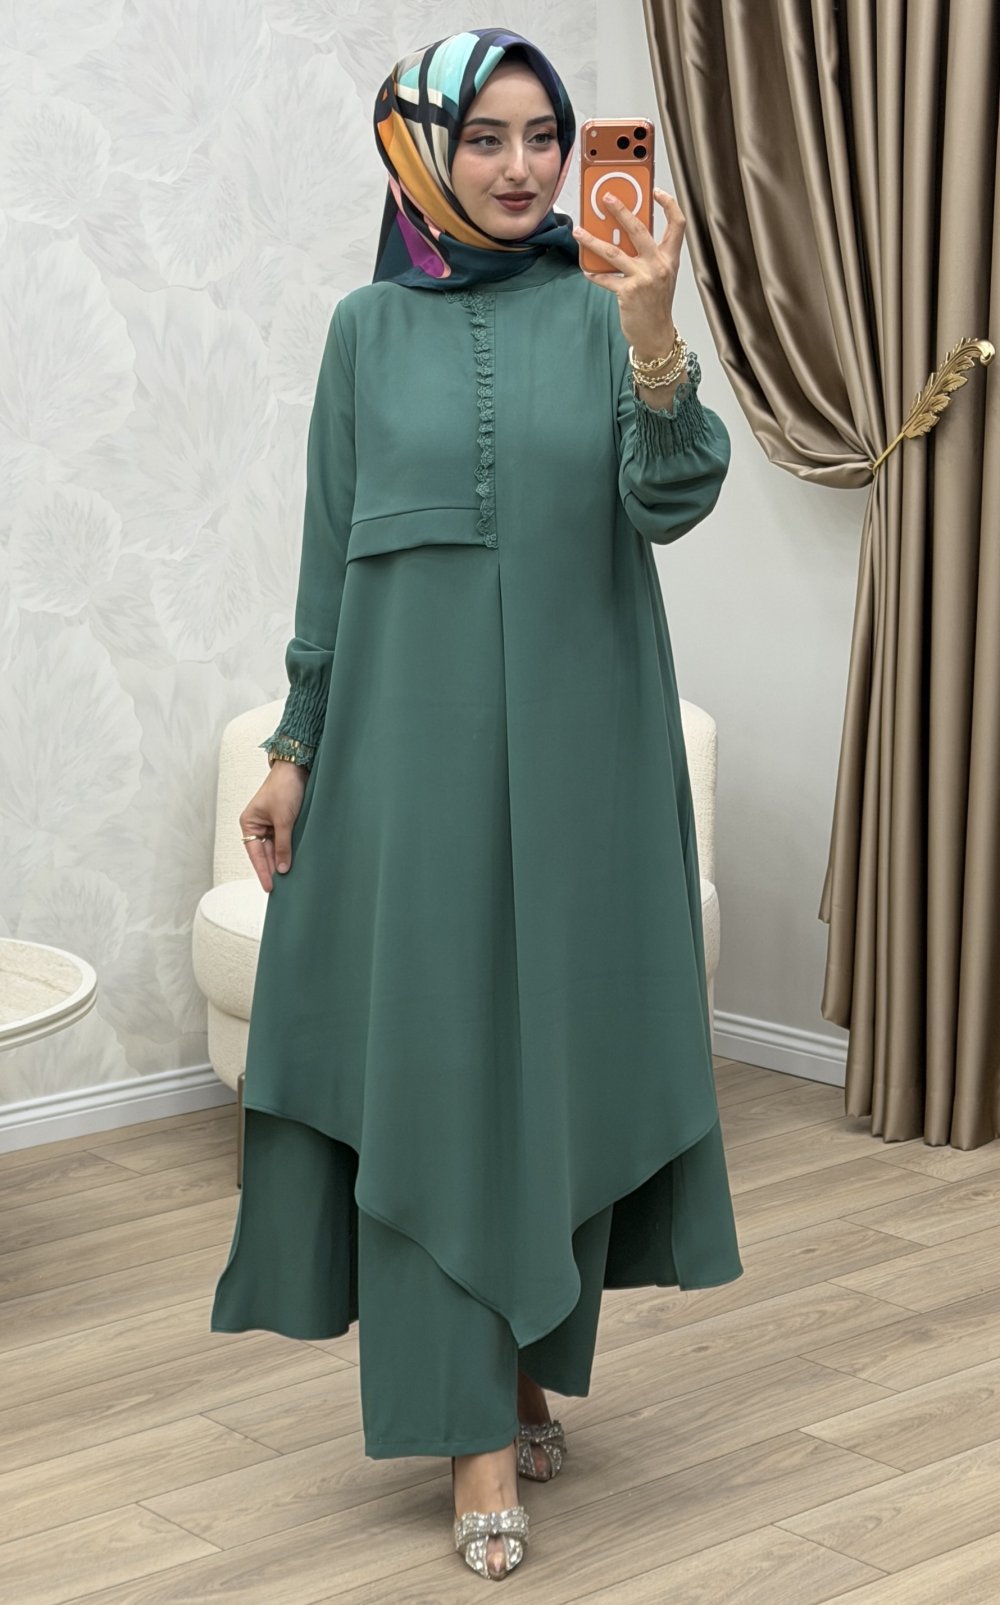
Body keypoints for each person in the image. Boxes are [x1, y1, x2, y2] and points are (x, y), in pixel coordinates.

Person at [210, 25, 744, 1584]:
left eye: (544, 137)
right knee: (441, 1068)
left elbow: (672, 494)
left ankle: (518, 1367)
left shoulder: (605, 308)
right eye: (487, 137)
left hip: (588, 755)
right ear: (422, 150)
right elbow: (330, 556)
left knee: (549, 1059)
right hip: (407, 766)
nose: (522, 168)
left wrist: (656, 330)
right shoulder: (364, 331)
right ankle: (475, 1439)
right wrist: (295, 745)